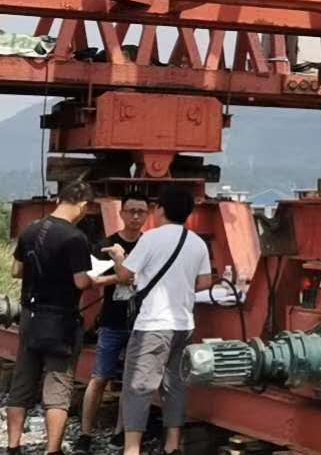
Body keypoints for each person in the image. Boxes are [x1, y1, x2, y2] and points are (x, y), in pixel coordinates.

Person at [109, 183, 213, 455]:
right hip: (184, 325)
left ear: (160, 209)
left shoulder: (151, 239)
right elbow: (205, 282)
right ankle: (172, 446)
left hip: (153, 325)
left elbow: (124, 276)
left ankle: (132, 448)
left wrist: (119, 256)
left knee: (138, 387)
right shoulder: (197, 242)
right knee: (175, 386)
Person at [6, 180, 101, 455]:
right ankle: (53, 449)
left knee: (22, 382)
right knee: (58, 387)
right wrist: (106, 279)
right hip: (60, 320)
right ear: (83, 205)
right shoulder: (75, 238)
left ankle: (13, 446)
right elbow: (81, 281)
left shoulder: (31, 230)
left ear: (60, 199)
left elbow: (16, 270)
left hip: (30, 315)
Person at [72, 194, 148, 455]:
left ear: (147, 215)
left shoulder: (148, 245)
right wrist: (121, 277)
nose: (136, 216)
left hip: (141, 322)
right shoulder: (106, 245)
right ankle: (85, 433)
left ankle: (120, 431)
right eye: (131, 211)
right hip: (113, 321)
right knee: (100, 377)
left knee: (130, 380)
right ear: (122, 214)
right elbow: (90, 280)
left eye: (141, 211)